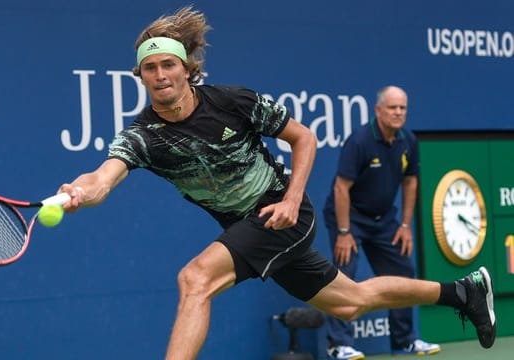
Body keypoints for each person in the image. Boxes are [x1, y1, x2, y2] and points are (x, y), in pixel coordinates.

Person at [57, 7, 496, 360]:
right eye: (149, 68)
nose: (160, 74)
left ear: (187, 68)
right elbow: (101, 178)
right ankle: (463, 292)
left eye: (168, 64)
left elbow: (303, 137)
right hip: (247, 228)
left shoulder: (232, 102)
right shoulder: (142, 136)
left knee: (195, 279)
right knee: (350, 301)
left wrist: (291, 198)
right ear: (141, 76)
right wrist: (79, 192)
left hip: (281, 213)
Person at [323, 86, 440, 359]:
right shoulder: (360, 141)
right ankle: (338, 344)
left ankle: (404, 341)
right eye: (392, 108)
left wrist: (405, 225)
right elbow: (341, 188)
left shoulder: (408, 140)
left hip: (385, 220)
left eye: (402, 108)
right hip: (349, 217)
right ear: (378, 111)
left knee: (401, 272)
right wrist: (343, 231)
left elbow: (411, 181)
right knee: (344, 277)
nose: (398, 113)